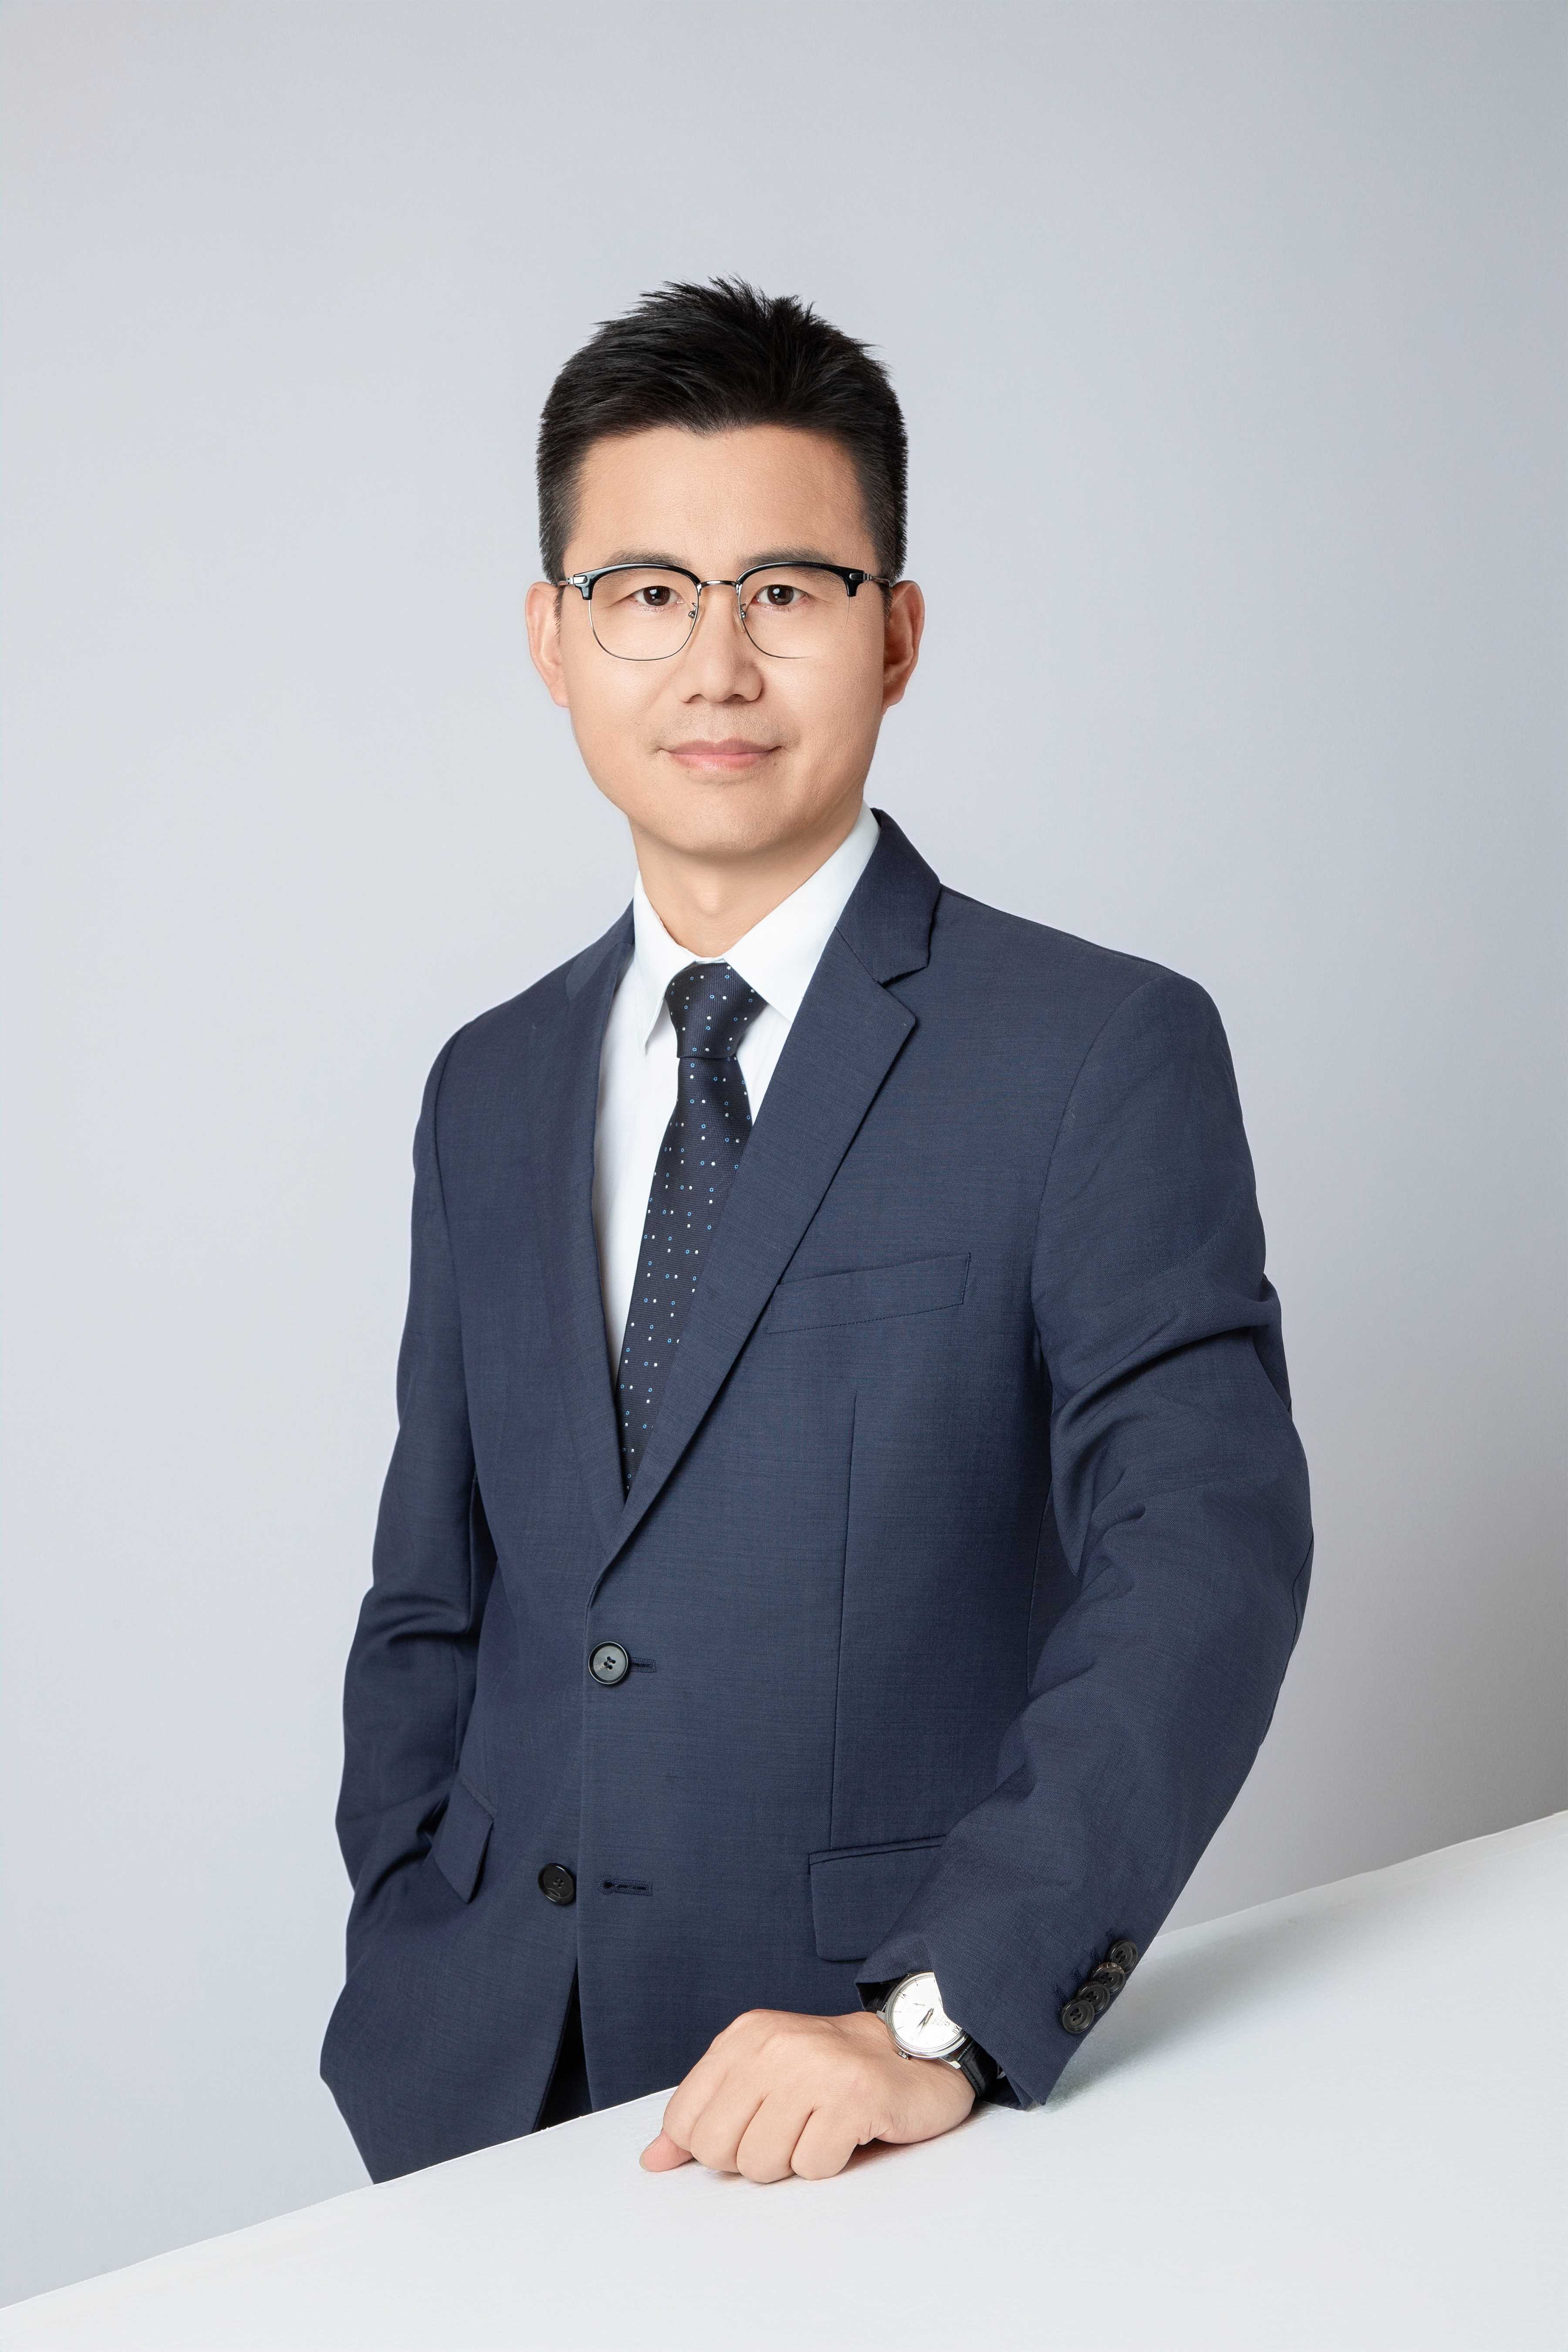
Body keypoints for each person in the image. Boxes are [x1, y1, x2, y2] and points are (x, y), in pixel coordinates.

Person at [321, 276, 1314, 2188]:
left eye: (785, 590)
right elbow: (435, 1590)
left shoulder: (1094, 1052)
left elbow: (1206, 1563)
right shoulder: (487, 1085)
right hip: (478, 2092)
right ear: (553, 637)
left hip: (870, 2113)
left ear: (897, 634)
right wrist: (409, 1925)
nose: (717, 666)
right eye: (647, 593)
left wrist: (937, 2017)